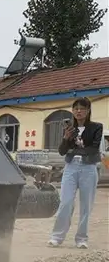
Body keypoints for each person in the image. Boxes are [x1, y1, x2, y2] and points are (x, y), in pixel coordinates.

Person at [47, 97, 104, 249]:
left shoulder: (97, 127)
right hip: (71, 167)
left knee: (86, 205)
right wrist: (66, 139)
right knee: (65, 203)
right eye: (76, 108)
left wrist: (75, 148)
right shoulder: (70, 129)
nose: (79, 111)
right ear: (72, 111)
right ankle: (57, 237)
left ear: (88, 110)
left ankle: (81, 239)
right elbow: (62, 151)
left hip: (89, 168)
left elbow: (94, 148)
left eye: (82, 108)